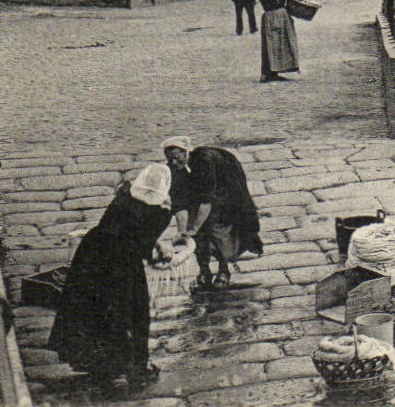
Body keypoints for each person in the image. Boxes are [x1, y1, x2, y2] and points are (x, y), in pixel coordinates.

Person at [49, 163, 175, 390]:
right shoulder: (159, 212)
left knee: (93, 309)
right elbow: (142, 246)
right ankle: (137, 371)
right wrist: (162, 251)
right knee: (134, 314)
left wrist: (154, 243)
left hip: (92, 254)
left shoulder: (124, 196)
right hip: (121, 264)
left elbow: (127, 228)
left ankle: (100, 363)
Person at [162, 138, 262, 291]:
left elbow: (206, 201)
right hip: (198, 194)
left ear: (186, 151)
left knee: (217, 229)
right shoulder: (172, 170)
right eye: (170, 159)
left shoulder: (204, 161)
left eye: (177, 157)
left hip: (224, 189)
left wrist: (194, 228)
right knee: (195, 235)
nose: (174, 162)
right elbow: (179, 203)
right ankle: (204, 271)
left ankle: (223, 271)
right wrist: (184, 232)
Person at [253, 0, 302, 82]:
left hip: (283, 18)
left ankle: (277, 70)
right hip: (270, 18)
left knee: (283, 44)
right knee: (270, 45)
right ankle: (267, 73)